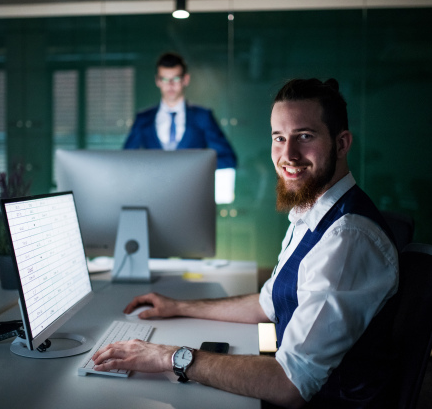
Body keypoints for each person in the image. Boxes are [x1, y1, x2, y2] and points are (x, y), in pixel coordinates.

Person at [94, 78, 399, 408]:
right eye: (279, 138)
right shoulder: (311, 213)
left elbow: (290, 384)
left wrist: (171, 357)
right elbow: (267, 304)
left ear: (341, 144)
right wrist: (178, 307)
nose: (288, 155)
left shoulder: (346, 237)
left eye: (305, 137)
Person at [123, 52, 237, 170]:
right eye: (165, 79)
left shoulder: (202, 117)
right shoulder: (143, 119)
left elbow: (228, 159)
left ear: (185, 80)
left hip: (192, 187)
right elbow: (125, 160)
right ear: (158, 81)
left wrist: (193, 168)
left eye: (175, 79)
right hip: (153, 187)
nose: (170, 85)